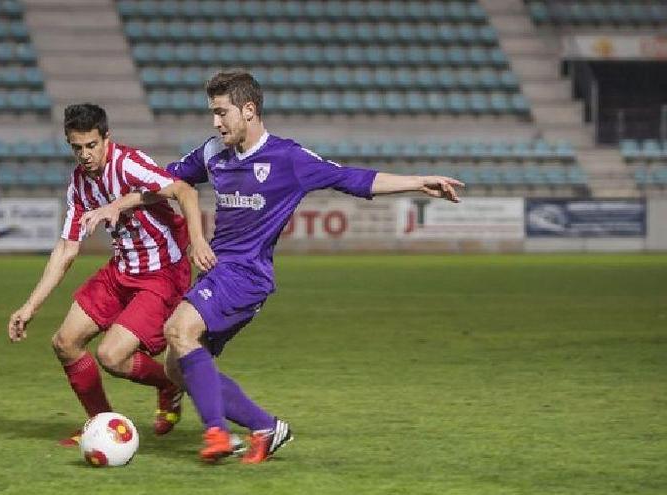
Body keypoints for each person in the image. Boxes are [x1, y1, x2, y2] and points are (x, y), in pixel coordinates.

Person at [82, 71, 464, 464]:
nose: (215, 122)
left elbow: (352, 178)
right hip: (218, 273)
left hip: (246, 275)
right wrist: (117, 204)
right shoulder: (214, 153)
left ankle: (217, 434)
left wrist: (419, 182)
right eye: (212, 113)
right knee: (180, 371)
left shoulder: (288, 158)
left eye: (221, 112)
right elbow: (162, 183)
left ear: (249, 110)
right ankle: (267, 427)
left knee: (178, 329)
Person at [6, 103, 215, 447]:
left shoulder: (128, 163)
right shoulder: (79, 186)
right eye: (77, 147)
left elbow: (185, 191)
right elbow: (66, 250)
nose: (85, 155)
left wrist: (196, 241)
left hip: (162, 273)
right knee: (65, 342)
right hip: (121, 270)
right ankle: (101, 424)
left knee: (111, 356)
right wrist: (29, 307)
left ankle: (168, 384)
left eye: (91, 145)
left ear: (106, 139)